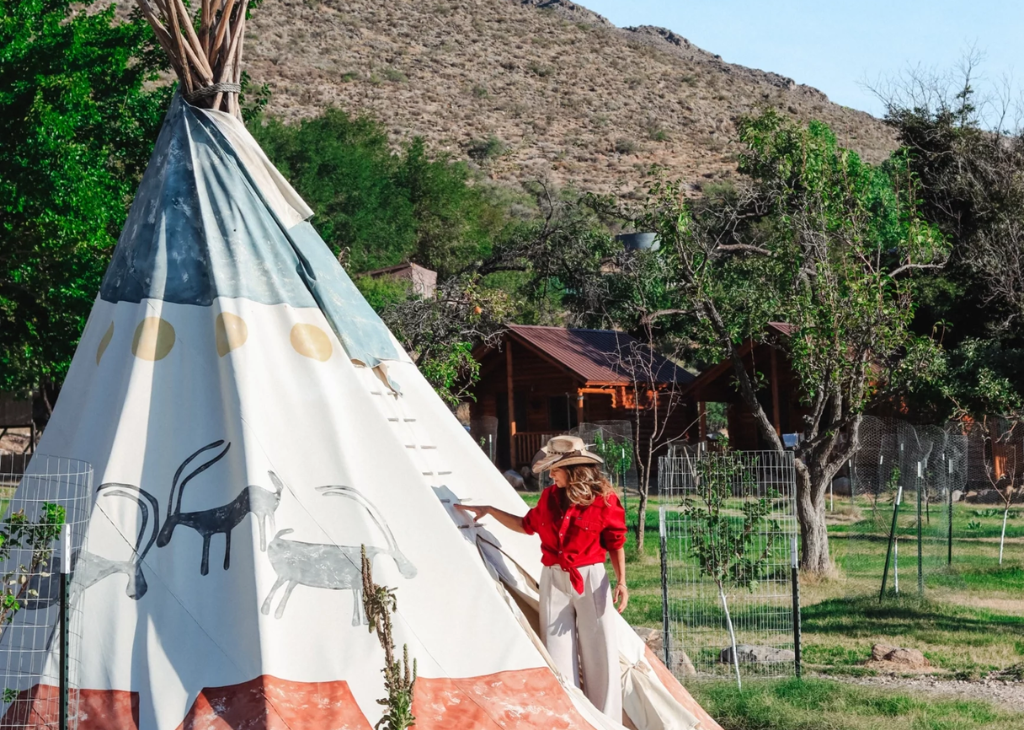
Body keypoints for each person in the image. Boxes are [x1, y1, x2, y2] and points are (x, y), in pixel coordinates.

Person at [455, 435, 628, 720]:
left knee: (600, 651)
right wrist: (491, 511)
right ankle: (572, 718)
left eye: (555, 469)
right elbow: (526, 525)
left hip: (591, 579)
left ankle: (607, 721)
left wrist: (621, 582)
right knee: (556, 652)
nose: (550, 474)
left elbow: (615, 543)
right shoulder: (548, 498)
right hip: (553, 577)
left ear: (571, 470)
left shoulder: (604, 500)